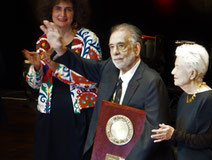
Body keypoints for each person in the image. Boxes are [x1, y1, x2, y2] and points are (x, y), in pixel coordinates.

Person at [40, 21, 175, 159]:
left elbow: (153, 133)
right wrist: (60, 49)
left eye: (121, 46)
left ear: (136, 48)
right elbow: (82, 65)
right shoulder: (109, 68)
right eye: (111, 47)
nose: (115, 52)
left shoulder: (152, 82)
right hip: (104, 151)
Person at [22, 0, 102, 159]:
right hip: (49, 112)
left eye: (68, 9)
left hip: (80, 113)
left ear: (76, 12)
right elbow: (36, 85)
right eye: (58, 8)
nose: (62, 14)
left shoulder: (88, 38)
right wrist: (37, 68)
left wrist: (57, 69)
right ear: (50, 12)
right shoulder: (43, 41)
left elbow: (92, 78)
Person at [151, 44, 212, 160]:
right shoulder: (186, 95)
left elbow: (206, 141)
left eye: (178, 67)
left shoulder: (208, 99)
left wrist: (173, 134)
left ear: (192, 74)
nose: (172, 72)